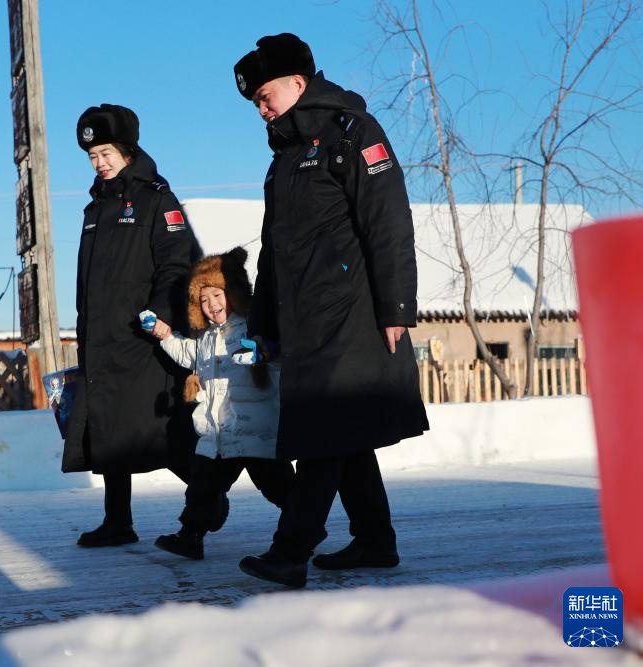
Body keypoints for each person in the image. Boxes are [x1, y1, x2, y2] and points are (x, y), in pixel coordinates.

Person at [231, 34, 430, 587]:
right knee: (344, 432)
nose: (262, 110)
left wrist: (397, 306)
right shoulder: (284, 160)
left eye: (266, 96)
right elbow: (272, 251)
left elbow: (388, 221)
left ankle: (291, 550)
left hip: (355, 314)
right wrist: (265, 325)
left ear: (299, 83)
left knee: (326, 432)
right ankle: (375, 541)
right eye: (256, 104)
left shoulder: (353, 133)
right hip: (304, 322)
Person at [62, 103, 213, 547]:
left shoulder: (156, 199)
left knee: (158, 433)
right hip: (101, 341)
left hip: (143, 340)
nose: (99, 162)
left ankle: (208, 497)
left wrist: (158, 318)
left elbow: (176, 264)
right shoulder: (95, 209)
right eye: (92, 156)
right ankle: (118, 522)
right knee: (109, 431)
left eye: (105, 152)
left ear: (127, 149)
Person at [150, 247, 295, 560]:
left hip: (255, 431)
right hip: (218, 435)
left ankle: (301, 528)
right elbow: (188, 355)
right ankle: (190, 537)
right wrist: (165, 336)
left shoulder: (252, 327)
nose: (211, 305)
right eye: (203, 299)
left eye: (217, 295)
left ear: (234, 293)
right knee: (201, 487)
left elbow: (278, 357)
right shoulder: (205, 338)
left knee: (280, 487)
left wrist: (266, 352)